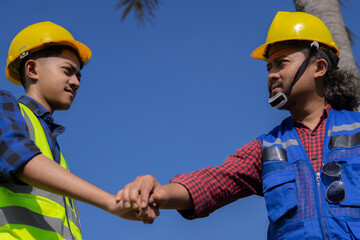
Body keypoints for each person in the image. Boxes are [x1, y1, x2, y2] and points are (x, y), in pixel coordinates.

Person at [116, 11, 360, 239]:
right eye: (269, 67)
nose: (272, 74)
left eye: (281, 63)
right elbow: (213, 182)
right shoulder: (267, 147)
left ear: (319, 67)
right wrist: (159, 192)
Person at [0, 21, 157, 240]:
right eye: (68, 71)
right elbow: (18, 158)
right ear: (32, 69)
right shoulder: (4, 104)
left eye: (79, 76)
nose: (76, 82)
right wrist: (110, 201)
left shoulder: (54, 151)